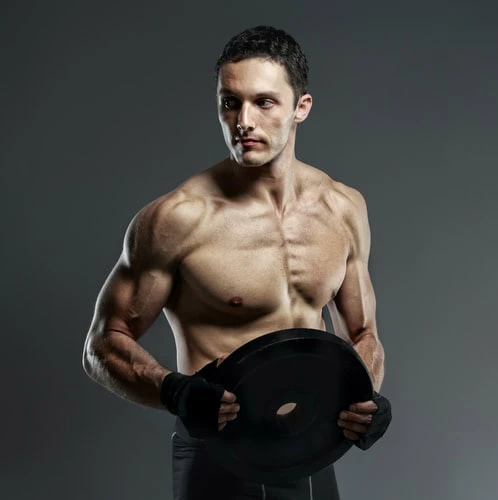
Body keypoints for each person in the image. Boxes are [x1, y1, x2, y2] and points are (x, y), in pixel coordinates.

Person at [82, 26, 391, 500]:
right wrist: (175, 392)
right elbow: (101, 344)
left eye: (264, 102)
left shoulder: (342, 209)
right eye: (230, 102)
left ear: (300, 108)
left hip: (311, 452)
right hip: (218, 459)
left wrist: (364, 397)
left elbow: (363, 334)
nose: (243, 120)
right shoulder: (178, 218)